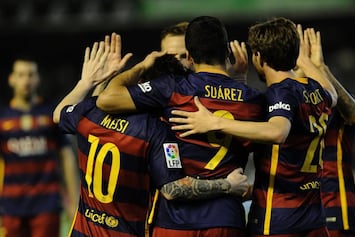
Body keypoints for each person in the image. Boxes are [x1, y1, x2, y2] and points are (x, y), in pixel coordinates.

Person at [54, 33, 250, 237]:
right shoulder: (156, 132)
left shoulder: (92, 111)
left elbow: (59, 114)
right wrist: (228, 185)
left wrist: (87, 82)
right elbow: (172, 188)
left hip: (82, 231)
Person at [168, 17, 339, 237]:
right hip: (315, 219)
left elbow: (278, 132)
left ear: (258, 56)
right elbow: (333, 94)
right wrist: (306, 62)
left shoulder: (278, 93)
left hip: (276, 220)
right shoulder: (315, 92)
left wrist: (215, 121)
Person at [97, 16, 265, 237]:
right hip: (225, 220)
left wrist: (143, 65)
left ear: (189, 56)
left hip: (174, 221)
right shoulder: (253, 100)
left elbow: (106, 99)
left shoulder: (172, 89)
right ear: (227, 52)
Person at [0, 57, 79, 237]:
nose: (26, 80)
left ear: (38, 79)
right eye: (21, 75)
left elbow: (66, 156)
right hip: (11, 205)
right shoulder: (2, 117)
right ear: (11, 79)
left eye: (30, 75)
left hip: (47, 204)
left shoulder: (52, 113)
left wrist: (74, 202)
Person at [299, 27, 355, 237]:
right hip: (304, 212)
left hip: (337, 207)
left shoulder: (333, 104)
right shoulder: (287, 103)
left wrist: (320, 67)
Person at [160, 20, 249, 83]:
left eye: (183, 56)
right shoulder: (154, 95)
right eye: (169, 56)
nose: (176, 61)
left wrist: (237, 81)